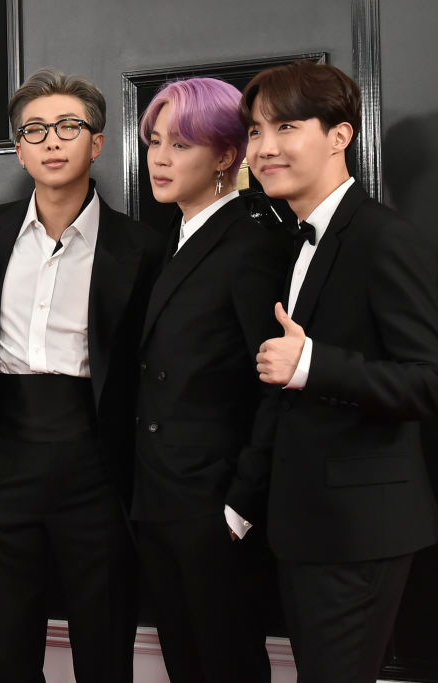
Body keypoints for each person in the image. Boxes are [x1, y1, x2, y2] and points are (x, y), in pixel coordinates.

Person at [233, 60, 438, 683]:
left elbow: (427, 381)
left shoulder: (383, 237)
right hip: (304, 527)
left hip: (360, 533)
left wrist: (313, 364)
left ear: (339, 135)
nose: (264, 148)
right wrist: (244, 500)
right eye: (255, 131)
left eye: (286, 127)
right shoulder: (300, 238)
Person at [0, 68, 164, 683]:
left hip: (97, 464)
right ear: (19, 150)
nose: (52, 141)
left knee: (104, 645)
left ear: (97, 142)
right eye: (35, 130)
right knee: (4, 646)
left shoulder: (142, 246)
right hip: (0, 459)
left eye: (69, 127)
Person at [132, 77, 287, 682]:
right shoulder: (174, 240)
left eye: (180, 144)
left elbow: (276, 385)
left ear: (226, 155)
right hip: (160, 500)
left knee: (228, 665)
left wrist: (240, 506)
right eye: (154, 142)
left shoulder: (250, 243)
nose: (160, 158)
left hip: (213, 506)